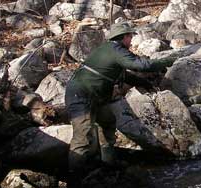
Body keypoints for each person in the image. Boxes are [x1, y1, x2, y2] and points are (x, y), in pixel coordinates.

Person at [64, 22, 175, 185]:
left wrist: (144, 83)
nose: (131, 41)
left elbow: (123, 75)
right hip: (81, 95)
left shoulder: (109, 49)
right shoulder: (115, 50)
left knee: (108, 122)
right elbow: (141, 65)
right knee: (83, 137)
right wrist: (168, 61)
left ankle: (108, 163)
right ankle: (74, 179)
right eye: (130, 36)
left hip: (94, 95)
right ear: (124, 37)